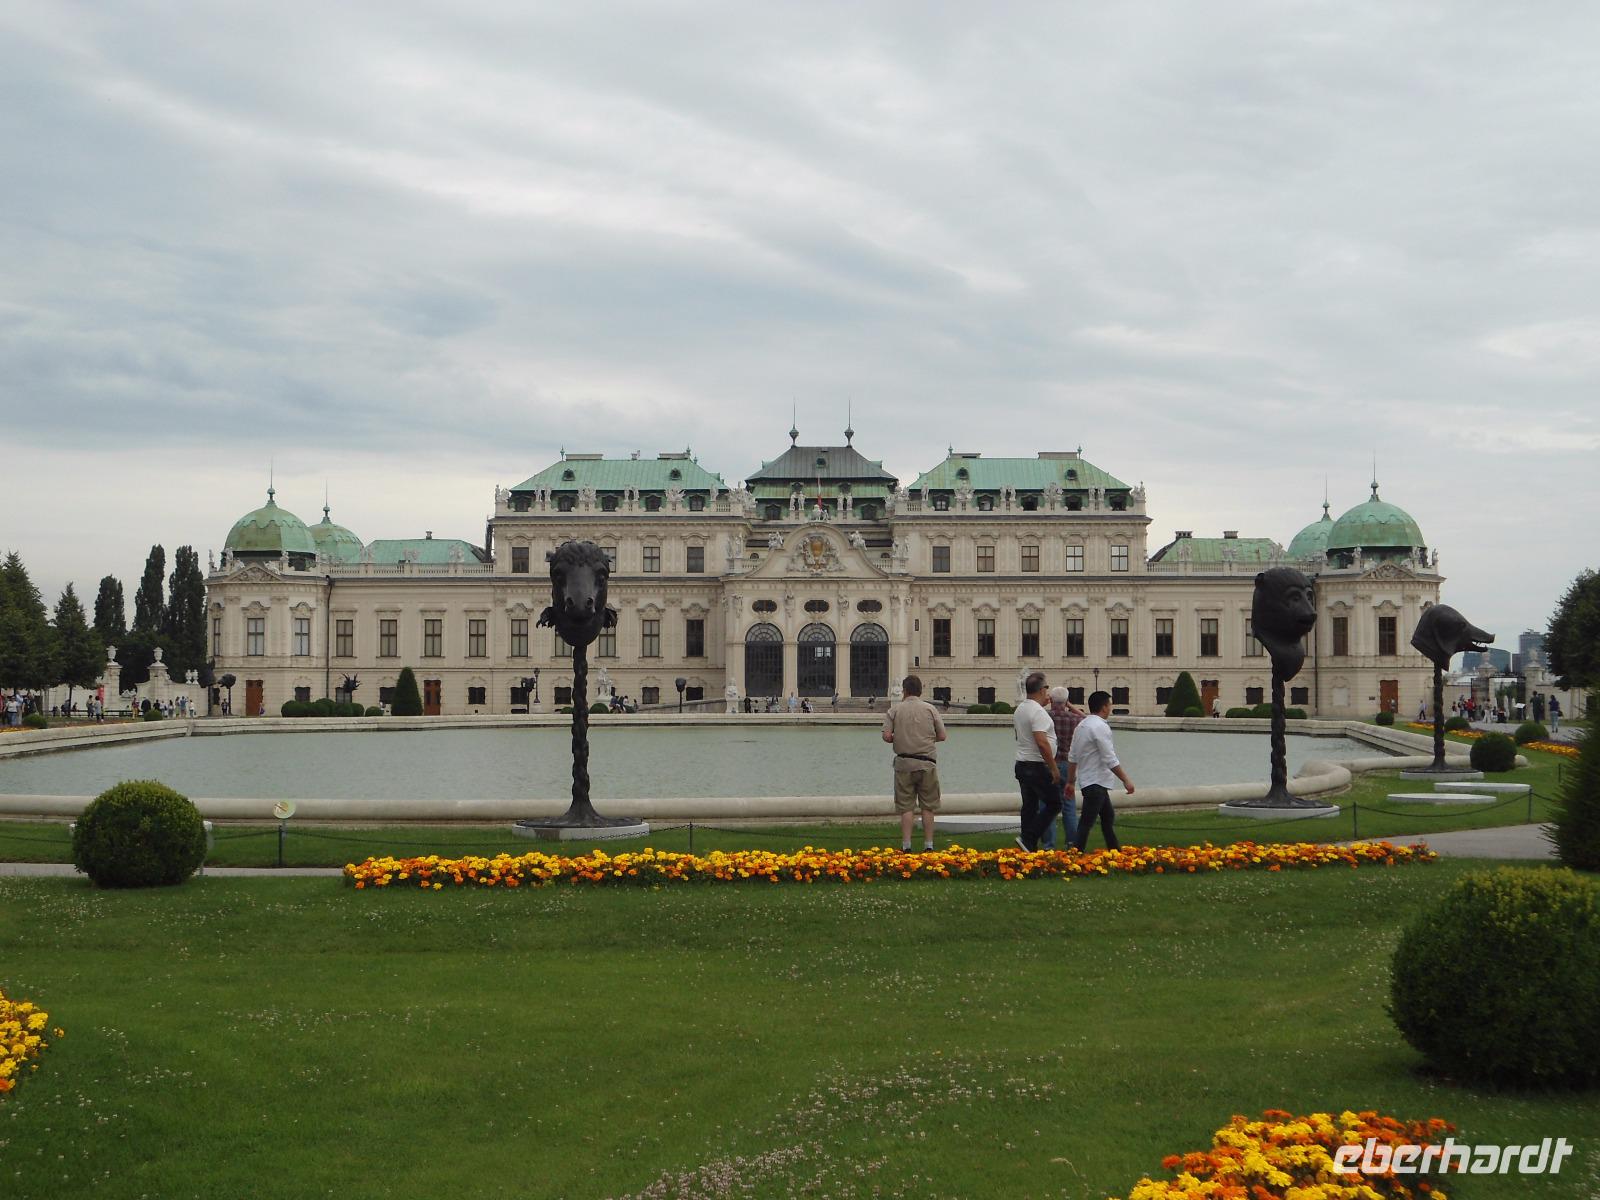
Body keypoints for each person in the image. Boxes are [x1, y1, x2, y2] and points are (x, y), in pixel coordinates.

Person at [881, 674, 948, 852]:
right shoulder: (930, 709)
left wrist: (899, 737)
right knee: (928, 806)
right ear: (920, 691)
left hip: (904, 764)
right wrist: (925, 739)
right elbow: (942, 736)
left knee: (906, 807)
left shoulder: (894, 710)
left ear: (904, 690)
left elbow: (886, 736)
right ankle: (928, 845)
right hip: (927, 763)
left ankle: (907, 845)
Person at [1070, 690, 1135, 852]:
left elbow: (1072, 757)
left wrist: (1070, 781)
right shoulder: (1100, 727)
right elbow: (1109, 758)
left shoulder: (1081, 726)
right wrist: (1125, 779)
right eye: (1109, 705)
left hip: (1090, 781)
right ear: (1104, 707)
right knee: (1086, 822)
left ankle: (1115, 851)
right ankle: (1074, 854)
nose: (1110, 709)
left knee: (1107, 818)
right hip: (1096, 781)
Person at [1012, 672, 1061, 852]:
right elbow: (1042, 742)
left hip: (1022, 763)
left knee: (1030, 806)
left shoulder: (1021, 709)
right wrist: (1054, 768)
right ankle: (1028, 838)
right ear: (1042, 690)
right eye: (1047, 688)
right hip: (1036, 765)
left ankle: (1027, 846)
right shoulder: (1038, 712)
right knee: (1055, 803)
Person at [1046, 686, 1084, 849]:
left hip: (1050, 765)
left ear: (1051, 700)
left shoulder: (1046, 716)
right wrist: (1071, 706)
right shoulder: (1075, 719)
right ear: (1066, 701)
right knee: (1068, 806)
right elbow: (1087, 718)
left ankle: (1049, 845)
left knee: (1047, 805)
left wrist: (1045, 703)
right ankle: (1071, 844)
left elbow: (1029, 717)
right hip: (1068, 765)